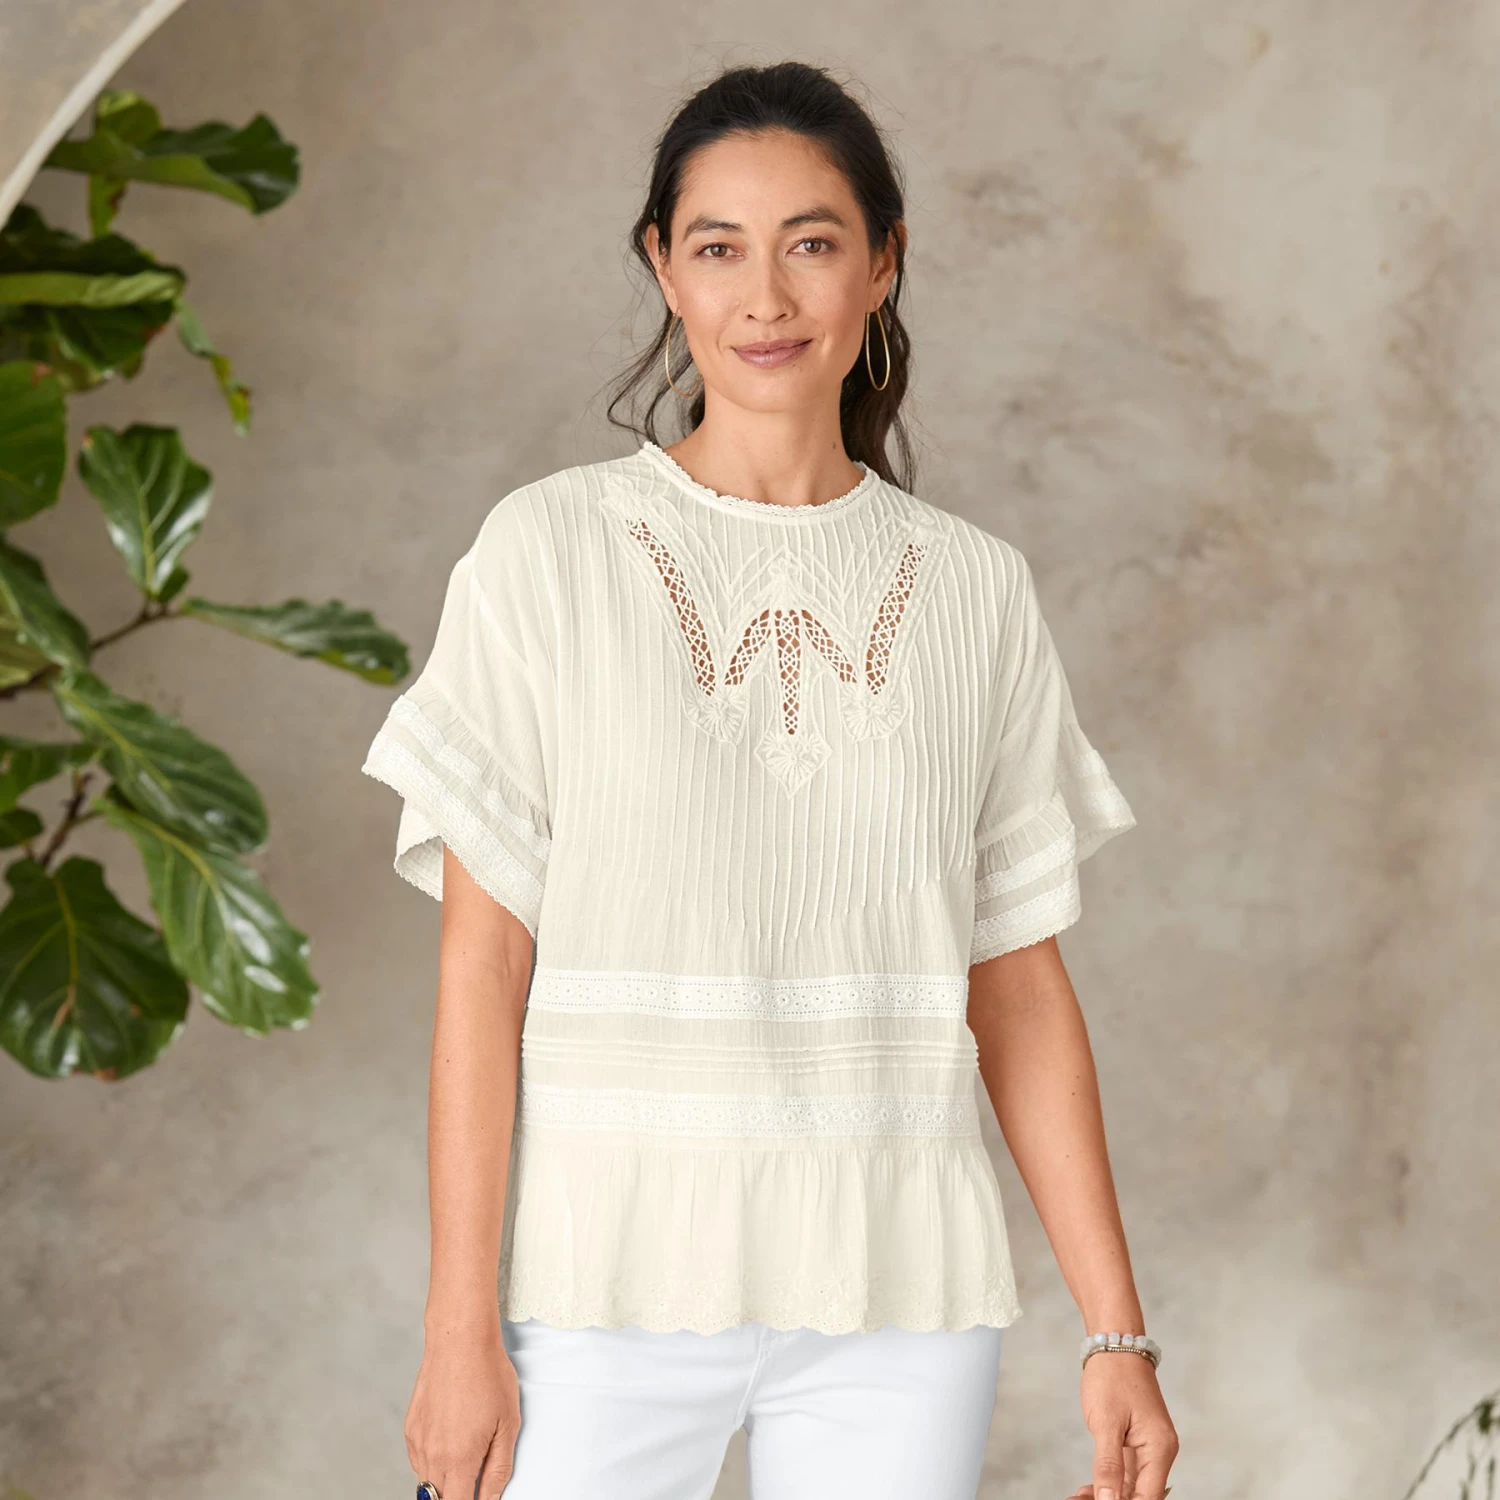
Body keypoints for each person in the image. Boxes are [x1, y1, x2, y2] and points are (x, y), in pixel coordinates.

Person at [362, 58, 1179, 1500]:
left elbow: (1017, 988)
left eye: (810, 243)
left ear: (882, 263)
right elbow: (484, 970)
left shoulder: (976, 592)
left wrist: (1116, 1332)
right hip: (594, 1295)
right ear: (662, 269)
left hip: (900, 1305)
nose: (767, 298)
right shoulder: (548, 555)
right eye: (718, 248)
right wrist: (454, 1328)